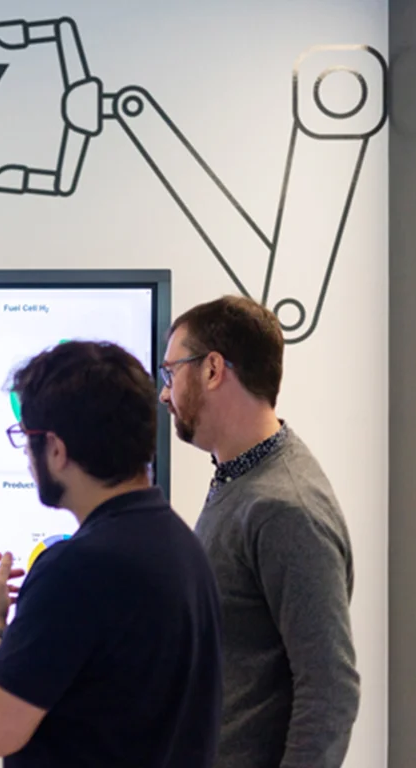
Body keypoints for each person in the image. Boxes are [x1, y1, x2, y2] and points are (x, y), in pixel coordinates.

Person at [0, 340, 222, 767]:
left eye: (26, 440)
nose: (27, 459)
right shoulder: (181, 544)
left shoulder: (77, 570)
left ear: (57, 450)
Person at [159, 295, 359, 768]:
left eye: (171, 373)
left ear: (212, 369)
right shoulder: (239, 478)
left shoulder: (285, 509)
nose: (165, 394)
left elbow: (330, 690)